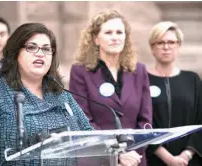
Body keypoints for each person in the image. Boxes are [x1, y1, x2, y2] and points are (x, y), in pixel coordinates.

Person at [0, 23, 95, 166]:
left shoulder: (62, 96)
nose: (40, 53)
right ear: (15, 53)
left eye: (46, 49)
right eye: (31, 47)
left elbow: (90, 139)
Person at [69, 10, 152, 166]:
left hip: (134, 159)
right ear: (95, 39)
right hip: (97, 158)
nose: (115, 37)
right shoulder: (80, 72)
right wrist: (118, 153)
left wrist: (132, 153)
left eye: (119, 32)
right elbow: (83, 121)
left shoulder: (139, 70)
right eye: (108, 32)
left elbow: (146, 120)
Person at [146, 21, 202, 166]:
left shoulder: (192, 80)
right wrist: (167, 158)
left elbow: (200, 120)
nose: (166, 47)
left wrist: (187, 154)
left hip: (189, 160)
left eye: (171, 42)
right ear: (152, 47)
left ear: (178, 46)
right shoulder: (142, 80)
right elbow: (142, 122)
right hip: (153, 159)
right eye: (160, 43)